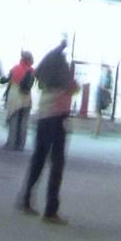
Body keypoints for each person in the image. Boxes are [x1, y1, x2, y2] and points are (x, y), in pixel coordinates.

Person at [19, 39, 77, 223]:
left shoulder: (44, 77)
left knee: (38, 158)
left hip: (43, 116)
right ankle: (51, 210)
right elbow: (73, 87)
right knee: (57, 163)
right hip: (58, 118)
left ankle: (26, 198)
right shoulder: (61, 72)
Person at [2, 51, 35, 150]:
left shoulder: (15, 69)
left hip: (15, 97)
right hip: (27, 98)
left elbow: (7, 80)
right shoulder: (32, 70)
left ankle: (11, 143)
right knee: (24, 123)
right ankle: (21, 145)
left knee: (14, 121)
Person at [95, 64, 113, 133]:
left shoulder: (104, 77)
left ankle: (97, 131)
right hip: (103, 97)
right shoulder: (109, 78)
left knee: (98, 114)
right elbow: (109, 88)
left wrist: (101, 87)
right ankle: (97, 130)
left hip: (100, 97)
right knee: (99, 114)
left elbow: (101, 86)